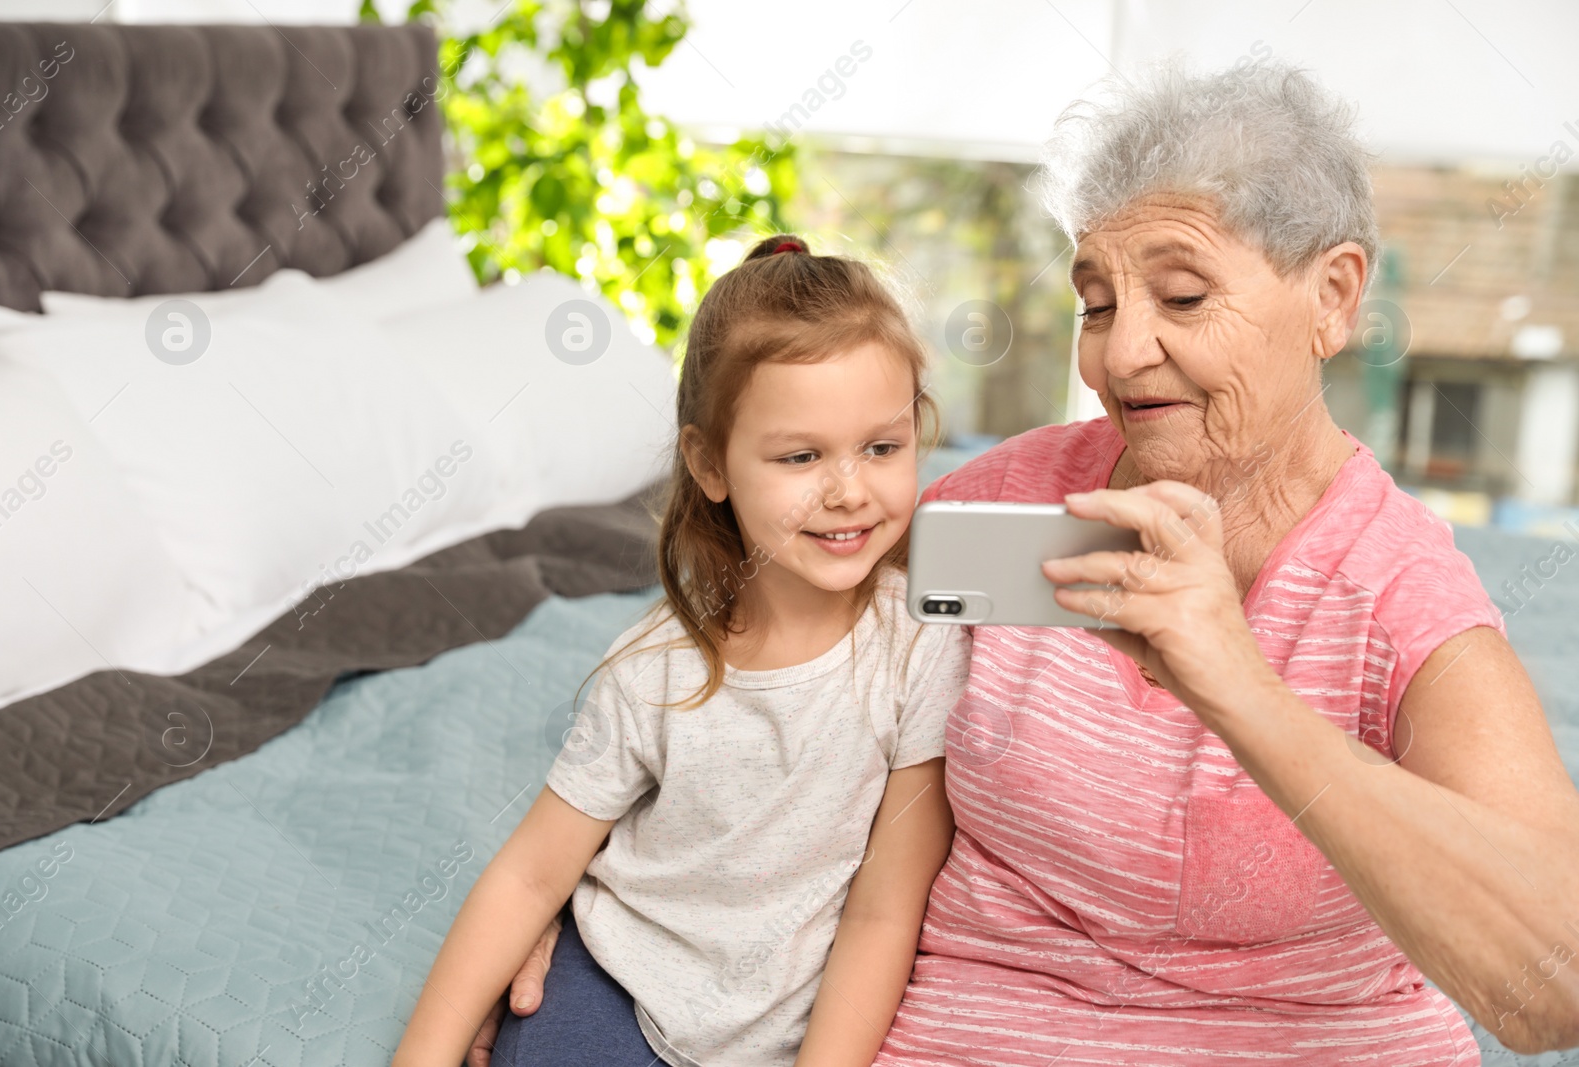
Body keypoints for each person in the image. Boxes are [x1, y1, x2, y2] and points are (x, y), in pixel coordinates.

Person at [505, 59, 1579, 1065]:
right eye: (1097, 302)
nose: (1117, 353)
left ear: (1334, 296)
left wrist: (1233, 680)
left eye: (1183, 296)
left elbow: (1549, 982)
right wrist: (610, 912)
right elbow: (780, 660)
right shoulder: (1003, 504)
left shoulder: (1394, 591)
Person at [391, 234, 973, 1067]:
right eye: (801, 455)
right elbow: (530, 874)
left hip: (790, 1026)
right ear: (710, 463)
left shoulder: (921, 651)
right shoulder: (653, 668)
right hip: (619, 991)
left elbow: (887, 907)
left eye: (881, 447)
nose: (849, 488)